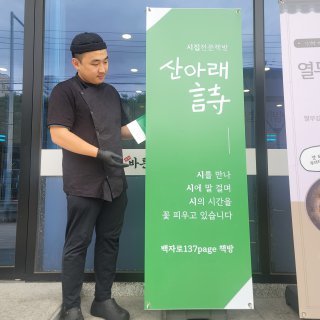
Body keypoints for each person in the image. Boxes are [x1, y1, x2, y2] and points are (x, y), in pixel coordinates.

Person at [47, 32, 132, 320]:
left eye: (106, 61)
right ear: (76, 63)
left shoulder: (111, 93)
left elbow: (122, 130)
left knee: (110, 241)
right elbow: (59, 134)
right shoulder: (64, 91)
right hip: (83, 183)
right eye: (95, 63)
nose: (103, 69)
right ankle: (71, 307)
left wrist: (157, 119)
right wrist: (97, 153)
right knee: (77, 244)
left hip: (115, 182)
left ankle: (103, 300)